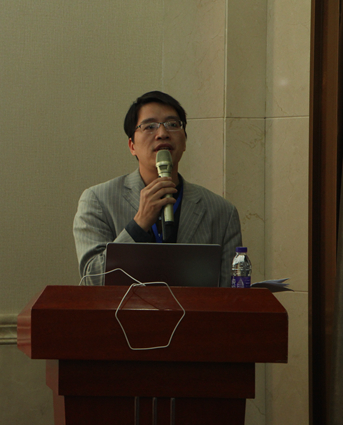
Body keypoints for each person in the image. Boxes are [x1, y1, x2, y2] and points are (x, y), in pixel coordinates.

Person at [73, 91, 242, 287]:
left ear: (184, 142)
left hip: (194, 308)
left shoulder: (222, 212)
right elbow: (92, 280)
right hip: (123, 308)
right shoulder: (98, 201)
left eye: (172, 124)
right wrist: (138, 226)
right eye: (149, 126)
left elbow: (232, 294)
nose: (162, 133)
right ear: (132, 146)